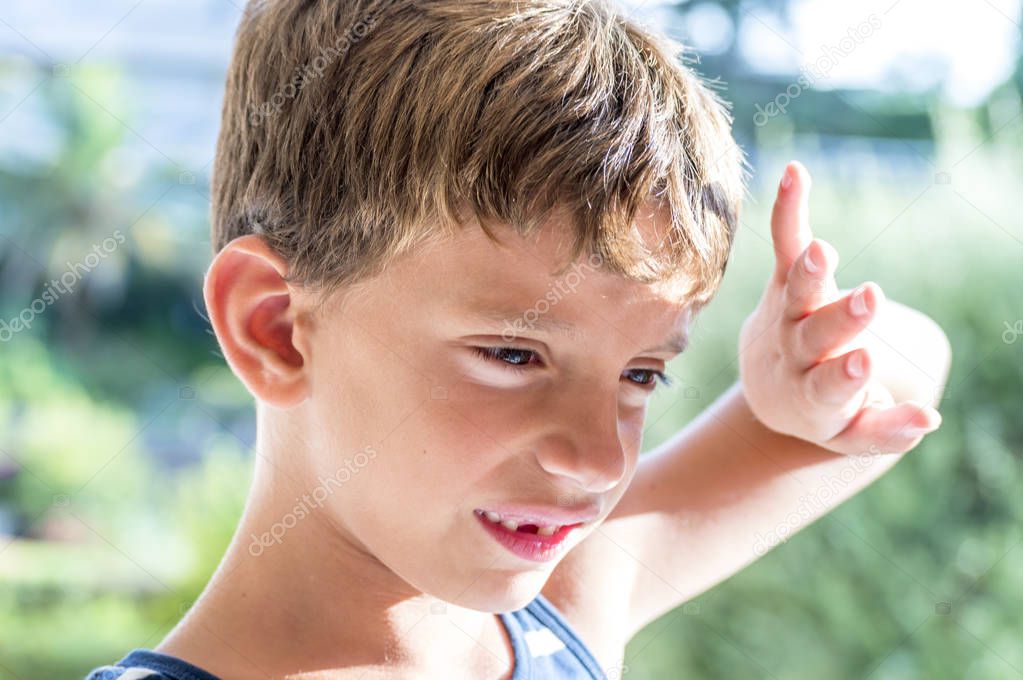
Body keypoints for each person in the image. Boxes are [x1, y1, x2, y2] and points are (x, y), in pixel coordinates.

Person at [86, 0, 950, 678]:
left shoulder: (568, 610)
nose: (598, 460)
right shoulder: (577, 596)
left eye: (643, 374)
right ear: (273, 327)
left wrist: (795, 391)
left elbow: (912, 364)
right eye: (513, 355)